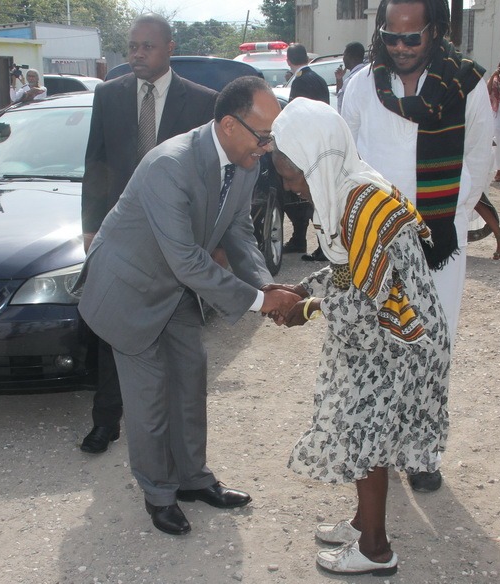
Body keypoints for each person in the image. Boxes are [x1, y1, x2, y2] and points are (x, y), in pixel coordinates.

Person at [77, 76, 300, 535]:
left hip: (174, 286)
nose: (267, 146)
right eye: (263, 136)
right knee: (149, 399)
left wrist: (265, 282)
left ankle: (194, 479)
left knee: (190, 380)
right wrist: (262, 303)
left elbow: (238, 231)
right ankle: (159, 493)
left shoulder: (246, 162)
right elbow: (187, 259)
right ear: (228, 125)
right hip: (128, 290)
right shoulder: (171, 165)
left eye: (272, 136)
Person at [269, 98, 449, 576]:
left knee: (368, 437)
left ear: (316, 161)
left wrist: (305, 307)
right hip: (382, 338)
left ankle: (374, 549)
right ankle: (361, 522)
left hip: (396, 343)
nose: (290, 188)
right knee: (364, 433)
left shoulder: (363, 204)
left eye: (291, 176)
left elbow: (369, 298)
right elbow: (352, 272)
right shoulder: (348, 189)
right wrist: (305, 288)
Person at [341, 0, 493, 492]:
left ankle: (423, 452)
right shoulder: (363, 83)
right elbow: (346, 159)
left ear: (436, 30)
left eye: (413, 38)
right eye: (391, 37)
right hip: (376, 241)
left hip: (438, 244)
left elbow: (479, 157)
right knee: (379, 346)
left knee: (433, 345)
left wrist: (447, 220)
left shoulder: (466, 83)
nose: (401, 48)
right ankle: (380, 449)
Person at [79, 14, 218, 455]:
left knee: (173, 337)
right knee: (111, 330)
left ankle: (172, 434)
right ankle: (106, 422)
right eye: (132, 46)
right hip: (121, 238)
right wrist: (90, 227)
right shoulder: (108, 96)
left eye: (147, 46)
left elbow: (209, 177)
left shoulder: (201, 103)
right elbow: (95, 165)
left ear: (169, 48)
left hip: (174, 239)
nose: (137, 54)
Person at [282, 43, 330, 260]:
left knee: (310, 198)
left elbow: (296, 116)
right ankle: (302, 240)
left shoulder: (300, 81)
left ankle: (322, 246)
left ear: (288, 60)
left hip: (307, 147)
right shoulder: (318, 79)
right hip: (320, 143)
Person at [335, 41, 367, 113]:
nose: (343, 59)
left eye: (344, 55)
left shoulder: (354, 79)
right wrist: (339, 79)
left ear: (350, 56)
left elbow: (343, 102)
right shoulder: (367, 74)